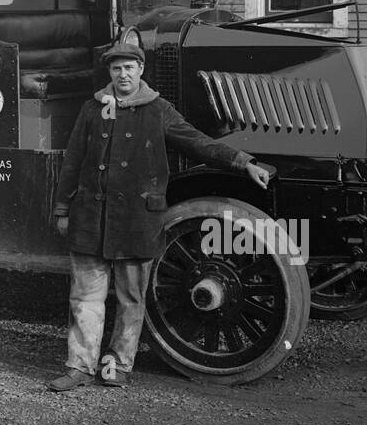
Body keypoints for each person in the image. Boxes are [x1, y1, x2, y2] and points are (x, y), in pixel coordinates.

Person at [47, 41, 271, 391]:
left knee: (131, 299)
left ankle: (119, 367)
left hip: (137, 221)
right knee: (84, 298)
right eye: (117, 69)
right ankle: (79, 367)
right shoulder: (92, 108)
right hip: (91, 219)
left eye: (129, 68)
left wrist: (243, 162)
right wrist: (63, 208)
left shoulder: (158, 109)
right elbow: (73, 160)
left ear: (141, 71)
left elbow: (197, 141)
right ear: (109, 72)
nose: (123, 75)